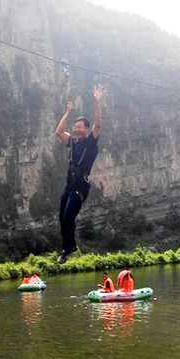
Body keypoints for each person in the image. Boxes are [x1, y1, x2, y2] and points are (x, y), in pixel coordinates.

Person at [56, 84, 106, 264]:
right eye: (75, 127)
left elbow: (98, 125)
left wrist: (97, 102)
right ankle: (70, 246)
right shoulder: (73, 142)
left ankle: (68, 250)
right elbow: (59, 132)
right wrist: (68, 112)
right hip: (69, 185)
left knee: (68, 217)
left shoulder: (90, 143)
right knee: (62, 218)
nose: (76, 130)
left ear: (86, 129)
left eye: (79, 127)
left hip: (80, 186)